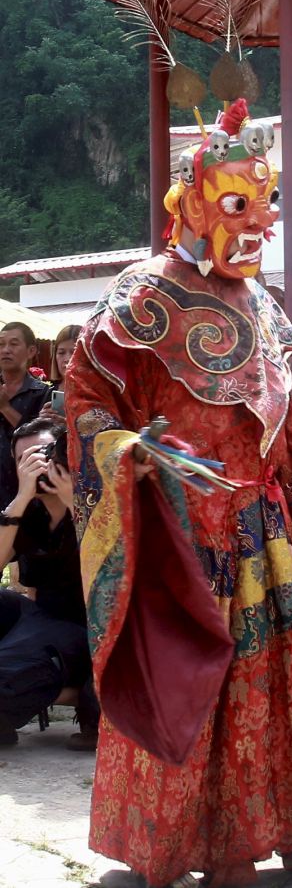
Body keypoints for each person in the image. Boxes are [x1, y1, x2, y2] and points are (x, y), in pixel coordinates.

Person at [66, 100, 292, 888]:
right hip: (185, 535)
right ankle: (189, 848)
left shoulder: (261, 305)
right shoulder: (142, 295)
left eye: (268, 201)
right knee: (194, 679)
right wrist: (127, 451)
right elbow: (83, 405)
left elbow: (282, 428)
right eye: (241, 202)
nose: (260, 221)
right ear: (195, 203)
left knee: (288, 687)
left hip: (265, 530)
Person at [0, 417, 97, 751]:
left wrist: (74, 502)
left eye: (42, 454)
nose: (35, 465)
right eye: (23, 460)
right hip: (40, 619)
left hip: (88, 625)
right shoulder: (28, 511)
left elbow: (112, 571)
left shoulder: (96, 503)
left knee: (10, 671)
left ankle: (67, 691)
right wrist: (22, 497)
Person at [0, 321, 52, 508]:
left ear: (31, 351)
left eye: (13, 344)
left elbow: (38, 442)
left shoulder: (42, 393)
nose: (6, 350)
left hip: (26, 495)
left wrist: (5, 407)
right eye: (1, 344)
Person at [47, 325, 82, 389]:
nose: (67, 359)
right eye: (61, 353)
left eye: (74, 352)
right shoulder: (46, 393)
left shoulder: (100, 393)